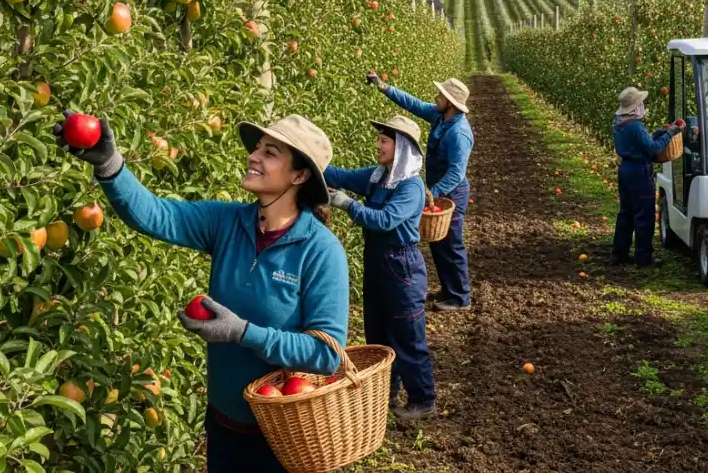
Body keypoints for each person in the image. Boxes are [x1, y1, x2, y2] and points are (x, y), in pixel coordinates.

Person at [52, 111, 348, 473]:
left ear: (299, 176)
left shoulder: (320, 250)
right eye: (257, 148)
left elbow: (326, 354)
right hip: (224, 422)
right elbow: (157, 215)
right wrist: (110, 165)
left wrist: (242, 333)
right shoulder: (228, 223)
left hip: (286, 437)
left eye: (270, 153)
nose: (254, 156)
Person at [324, 115, 437, 421]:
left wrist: (347, 204)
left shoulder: (410, 187)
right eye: (380, 139)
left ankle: (423, 399)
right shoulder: (378, 177)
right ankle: (385, 392)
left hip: (401, 265)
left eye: (385, 140)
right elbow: (342, 175)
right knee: (378, 332)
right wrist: (308, 159)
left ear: (401, 147)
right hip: (377, 260)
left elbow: (385, 220)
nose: (379, 145)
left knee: (407, 335)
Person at [368, 73, 475, 312]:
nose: (436, 97)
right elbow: (413, 104)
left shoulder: (459, 134)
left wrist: (431, 192)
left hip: (451, 193)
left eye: (441, 95)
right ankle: (449, 289)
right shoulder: (440, 116)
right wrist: (384, 88)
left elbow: (456, 173)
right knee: (438, 243)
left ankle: (460, 297)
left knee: (451, 244)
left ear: (450, 102)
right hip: (436, 190)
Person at [612, 86, 683, 267]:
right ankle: (643, 258)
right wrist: (669, 134)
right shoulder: (635, 126)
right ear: (635, 108)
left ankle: (619, 253)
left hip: (626, 169)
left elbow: (643, 142)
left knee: (626, 212)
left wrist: (661, 133)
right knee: (644, 215)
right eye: (641, 104)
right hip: (639, 171)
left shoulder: (618, 122)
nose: (643, 106)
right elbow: (652, 149)